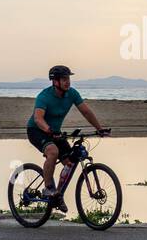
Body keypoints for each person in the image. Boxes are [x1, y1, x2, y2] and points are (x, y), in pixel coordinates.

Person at [26, 65, 109, 212]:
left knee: (70, 162)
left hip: (55, 132)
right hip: (36, 130)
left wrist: (99, 128)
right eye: (64, 79)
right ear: (55, 81)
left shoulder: (72, 94)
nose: (68, 82)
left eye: (68, 78)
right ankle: (48, 188)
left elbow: (86, 112)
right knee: (53, 151)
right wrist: (49, 130)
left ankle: (57, 195)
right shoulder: (44, 96)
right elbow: (38, 119)